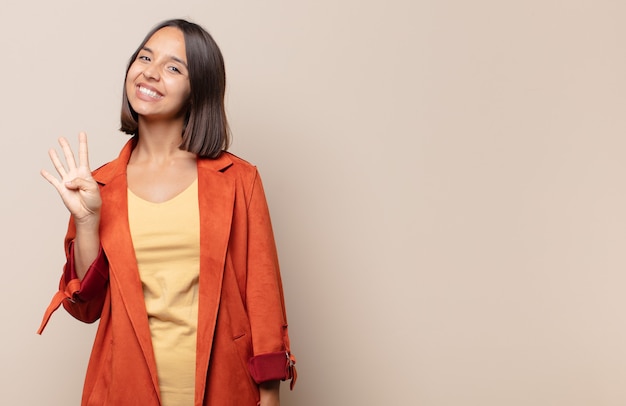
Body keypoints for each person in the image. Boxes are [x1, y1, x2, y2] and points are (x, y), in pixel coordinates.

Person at [37, 18, 296, 406]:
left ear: (198, 91)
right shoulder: (101, 186)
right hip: (123, 388)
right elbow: (87, 308)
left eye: (174, 67)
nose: (151, 72)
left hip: (224, 388)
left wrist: (270, 398)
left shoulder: (239, 179)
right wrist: (88, 223)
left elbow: (263, 299)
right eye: (145, 57)